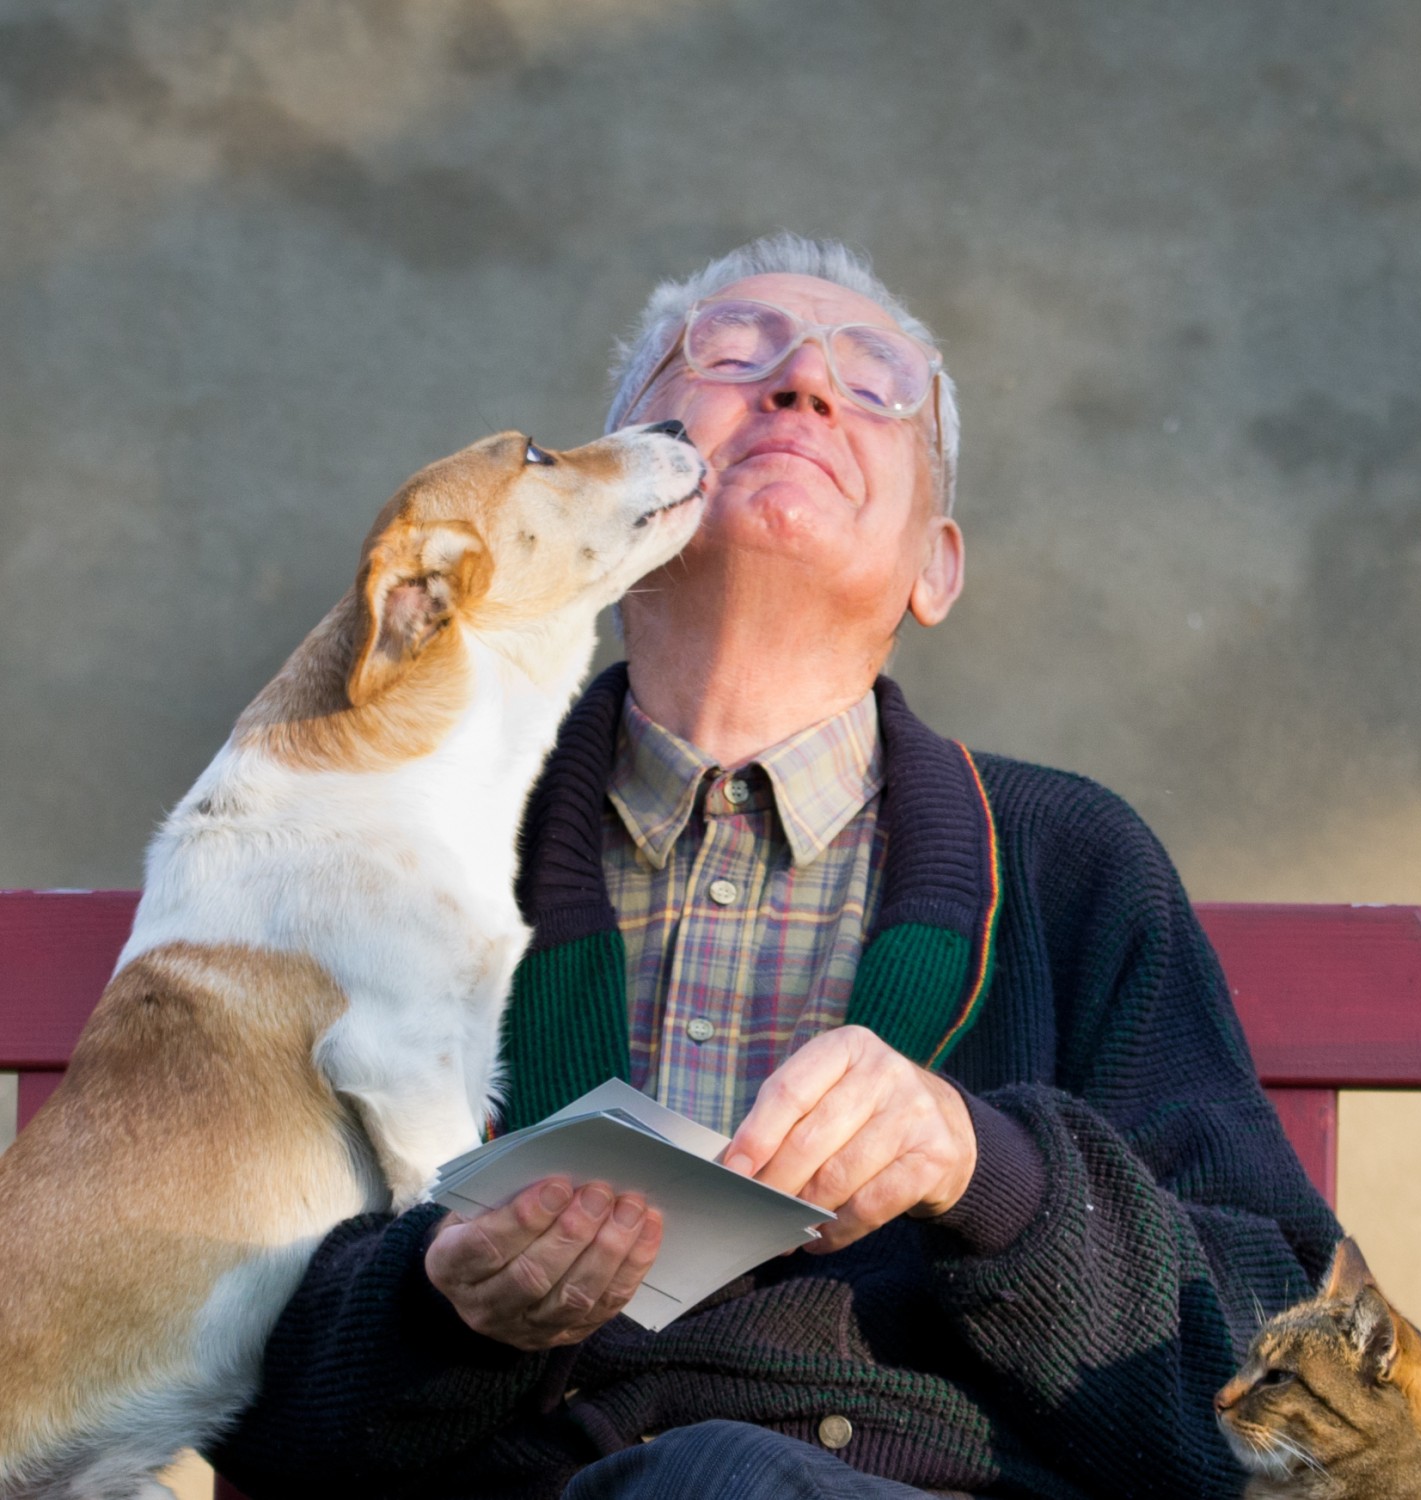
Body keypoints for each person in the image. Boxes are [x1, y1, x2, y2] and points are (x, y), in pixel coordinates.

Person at [210, 234, 1340, 1500]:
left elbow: (1273, 1388)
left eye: (875, 385)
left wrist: (988, 1171)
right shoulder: (399, 865)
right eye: (731, 351)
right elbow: (225, 1377)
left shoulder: (1074, 865)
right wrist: (442, 1305)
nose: (800, 383)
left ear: (936, 569)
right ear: (606, 506)